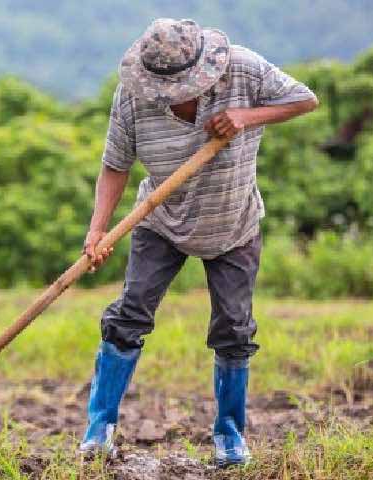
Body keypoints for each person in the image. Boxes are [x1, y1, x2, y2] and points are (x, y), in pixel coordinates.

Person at [80, 18, 318, 467]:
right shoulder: (134, 95)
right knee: (129, 315)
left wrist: (247, 117)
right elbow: (115, 164)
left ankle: (230, 437)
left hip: (234, 221)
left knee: (233, 328)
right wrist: (98, 230)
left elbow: (304, 99)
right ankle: (98, 431)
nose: (170, 97)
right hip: (160, 218)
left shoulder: (244, 69)